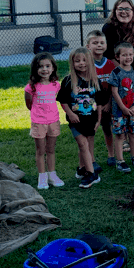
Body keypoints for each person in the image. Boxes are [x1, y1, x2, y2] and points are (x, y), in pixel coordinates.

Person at [57, 48, 108, 188]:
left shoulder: (94, 81)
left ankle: (81, 168)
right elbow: (63, 101)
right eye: (77, 60)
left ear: (90, 62)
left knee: (85, 145)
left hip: (90, 120)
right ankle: (92, 175)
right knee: (82, 144)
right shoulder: (68, 81)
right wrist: (71, 114)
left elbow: (99, 102)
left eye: (84, 60)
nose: (81, 63)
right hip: (76, 121)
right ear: (72, 63)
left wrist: (98, 120)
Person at [24, 52, 64, 190]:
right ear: (35, 69)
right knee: (40, 150)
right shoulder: (31, 87)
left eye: (48, 66)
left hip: (53, 121)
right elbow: (29, 104)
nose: (44, 69)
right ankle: (42, 177)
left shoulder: (56, 85)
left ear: (53, 68)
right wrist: (38, 115)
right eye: (41, 66)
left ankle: (52, 175)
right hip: (39, 122)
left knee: (51, 149)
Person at [107, 42, 134, 172]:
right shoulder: (116, 72)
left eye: (130, 55)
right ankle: (120, 160)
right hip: (119, 111)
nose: (128, 57)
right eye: (124, 55)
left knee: (133, 134)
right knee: (120, 135)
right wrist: (122, 107)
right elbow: (114, 91)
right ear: (118, 57)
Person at [86, 30, 118, 167]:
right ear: (88, 46)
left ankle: (111, 155)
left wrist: (109, 103)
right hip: (91, 104)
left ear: (106, 45)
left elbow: (114, 86)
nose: (99, 45)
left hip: (108, 103)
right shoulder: (85, 64)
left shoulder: (111, 64)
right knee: (90, 131)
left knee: (108, 128)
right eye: (95, 43)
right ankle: (91, 159)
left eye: (101, 43)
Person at [102, 0, 134, 71]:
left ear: (133, 11)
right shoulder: (108, 28)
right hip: (114, 70)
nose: (123, 12)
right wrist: (123, 73)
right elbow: (108, 55)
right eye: (120, 9)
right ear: (115, 11)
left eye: (127, 9)